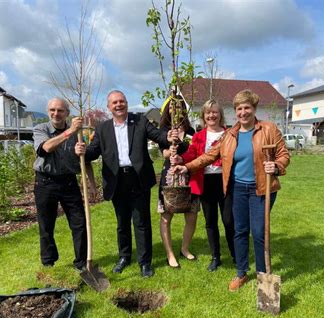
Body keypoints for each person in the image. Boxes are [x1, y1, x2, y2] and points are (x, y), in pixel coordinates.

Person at [174, 90, 290, 291]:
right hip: (237, 189)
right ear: (235, 112)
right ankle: (241, 273)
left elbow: (283, 154)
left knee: (259, 231)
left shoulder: (269, 129)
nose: (243, 112)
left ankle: (263, 276)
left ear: (254, 109)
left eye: (247, 108)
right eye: (239, 109)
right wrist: (187, 167)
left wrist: (277, 166)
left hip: (262, 189)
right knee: (240, 231)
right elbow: (209, 156)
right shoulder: (230, 135)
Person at [74, 90, 177, 278]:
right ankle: (124, 256)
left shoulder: (139, 121)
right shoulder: (102, 128)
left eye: (122, 101)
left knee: (141, 222)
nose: (119, 105)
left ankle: (145, 262)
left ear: (127, 103)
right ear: (109, 107)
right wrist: (82, 150)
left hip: (138, 178)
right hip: (116, 180)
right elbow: (93, 152)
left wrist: (168, 137)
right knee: (122, 223)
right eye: (115, 102)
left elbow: (158, 136)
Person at [174, 99, 235, 272]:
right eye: (208, 112)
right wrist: (181, 159)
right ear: (203, 116)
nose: (211, 115)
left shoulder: (229, 134)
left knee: (229, 220)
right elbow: (191, 154)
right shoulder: (199, 136)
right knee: (210, 222)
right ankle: (216, 257)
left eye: (215, 112)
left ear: (220, 115)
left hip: (225, 182)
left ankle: (235, 254)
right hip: (205, 182)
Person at [33, 97, 87, 271]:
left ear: (67, 113)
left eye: (60, 110)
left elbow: (84, 159)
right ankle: (48, 262)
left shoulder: (77, 133)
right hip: (45, 183)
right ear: (48, 112)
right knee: (46, 225)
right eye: (52, 110)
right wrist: (70, 131)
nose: (56, 113)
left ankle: (81, 262)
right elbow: (46, 148)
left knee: (79, 223)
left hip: (69, 183)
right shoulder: (41, 129)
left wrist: (91, 181)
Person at [157, 96, 198, 269]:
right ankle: (170, 253)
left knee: (192, 215)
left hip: (189, 175)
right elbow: (163, 153)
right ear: (168, 109)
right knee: (166, 216)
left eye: (180, 106)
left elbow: (196, 152)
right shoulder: (164, 131)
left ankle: (184, 248)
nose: (177, 109)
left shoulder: (191, 131)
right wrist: (170, 152)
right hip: (170, 175)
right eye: (173, 106)